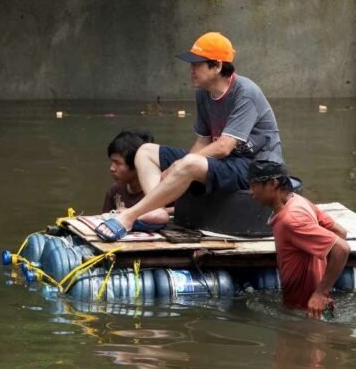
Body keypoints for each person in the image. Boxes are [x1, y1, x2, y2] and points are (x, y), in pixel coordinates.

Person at [95, 32, 283, 241]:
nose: (191, 70)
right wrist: (181, 165)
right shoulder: (203, 93)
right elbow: (204, 139)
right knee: (145, 152)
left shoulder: (245, 92)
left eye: (197, 64)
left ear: (218, 66)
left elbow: (223, 147)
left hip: (255, 166)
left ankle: (130, 216)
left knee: (189, 163)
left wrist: (183, 164)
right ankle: (156, 209)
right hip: (224, 163)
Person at [248, 161, 351, 319]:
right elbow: (339, 232)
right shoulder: (299, 201)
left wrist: (320, 293)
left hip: (307, 313)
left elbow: (341, 248)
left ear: (272, 184)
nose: (250, 192)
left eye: (254, 185)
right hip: (312, 309)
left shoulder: (291, 220)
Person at [103, 129, 155, 213]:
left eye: (118, 163)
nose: (112, 168)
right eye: (112, 162)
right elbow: (104, 219)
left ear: (136, 163)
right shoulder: (115, 190)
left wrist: (132, 213)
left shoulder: (159, 189)